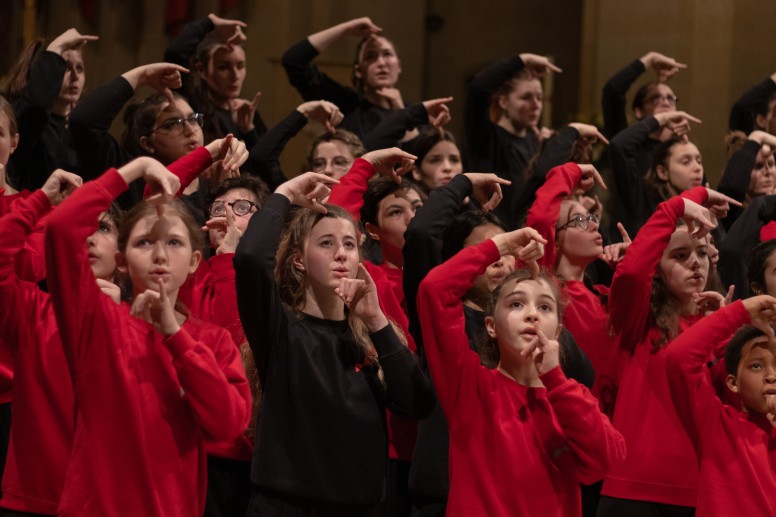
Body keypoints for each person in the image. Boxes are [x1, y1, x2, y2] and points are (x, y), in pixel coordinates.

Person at [44, 156, 251, 516]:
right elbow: (60, 228)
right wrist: (135, 168)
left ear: (193, 261)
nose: (159, 254)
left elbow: (229, 424)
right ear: (121, 261)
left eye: (173, 242)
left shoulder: (212, 341)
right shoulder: (98, 321)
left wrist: (175, 335)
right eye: (143, 243)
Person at [234, 171, 434, 515]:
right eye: (326, 243)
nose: (341, 254)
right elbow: (250, 259)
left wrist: (376, 320)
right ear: (299, 259)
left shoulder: (372, 337)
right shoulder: (281, 328)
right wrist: (284, 194)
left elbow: (416, 404)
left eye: (349, 244)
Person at [416, 226, 625, 516]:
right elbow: (433, 290)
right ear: (490, 325)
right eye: (516, 304)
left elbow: (606, 462)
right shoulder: (470, 386)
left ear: (559, 331)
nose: (532, 314)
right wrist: (501, 245)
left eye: (545, 307)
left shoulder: (569, 397)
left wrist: (556, 381)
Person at [598, 186, 738, 515]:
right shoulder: (641, 321)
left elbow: (732, 402)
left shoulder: (721, 324)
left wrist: (723, 332)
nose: (695, 263)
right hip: (634, 491)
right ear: (658, 269)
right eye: (680, 255)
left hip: (700, 491)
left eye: (703, 253)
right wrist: (680, 204)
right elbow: (632, 272)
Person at [526, 162, 623, 417]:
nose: (594, 225)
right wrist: (572, 171)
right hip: (567, 420)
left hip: (613, 424)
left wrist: (630, 269)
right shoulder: (545, 288)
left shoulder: (606, 295)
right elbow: (539, 218)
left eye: (592, 218)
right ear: (554, 239)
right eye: (579, 220)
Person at [665, 295, 776, 515]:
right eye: (756, 366)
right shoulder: (718, 425)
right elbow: (678, 357)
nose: (771, 376)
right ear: (733, 383)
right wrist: (740, 312)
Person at [464, 51, 561, 230]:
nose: (536, 105)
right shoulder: (486, 136)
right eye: (526, 97)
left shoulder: (534, 142)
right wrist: (522, 60)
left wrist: (547, 153)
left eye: (539, 98)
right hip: (491, 234)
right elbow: (477, 89)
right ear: (503, 102)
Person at [282, 17, 409, 140]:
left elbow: (419, 155)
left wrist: (402, 114)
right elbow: (294, 61)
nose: (381, 62)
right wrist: (345, 29)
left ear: (399, 66)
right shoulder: (345, 104)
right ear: (358, 71)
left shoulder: (414, 112)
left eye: (387, 54)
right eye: (370, 56)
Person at [4, 28, 97, 190]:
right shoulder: (27, 121)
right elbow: (36, 107)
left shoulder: (84, 127)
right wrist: (56, 48)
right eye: (66, 67)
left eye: (80, 68)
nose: (75, 76)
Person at [164, 13, 267, 144]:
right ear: (202, 70)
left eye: (240, 66)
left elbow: (267, 162)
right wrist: (211, 22)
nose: (235, 75)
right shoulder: (194, 108)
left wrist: (248, 130)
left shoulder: (246, 114)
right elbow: (175, 53)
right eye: (224, 67)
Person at [608, 110, 702, 237]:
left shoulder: (704, 209)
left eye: (699, 161)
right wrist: (661, 119)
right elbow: (620, 146)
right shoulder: (643, 204)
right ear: (662, 172)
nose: (697, 168)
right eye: (686, 162)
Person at [601, 51, 686, 139]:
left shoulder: (683, 147)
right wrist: (652, 58)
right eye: (655, 99)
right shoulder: (627, 145)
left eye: (670, 98)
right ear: (639, 112)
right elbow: (613, 90)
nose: (666, 103)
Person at [717, 130, 776, 230]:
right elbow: (733, 187)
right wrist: (757, 136)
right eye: (758, 166)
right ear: (742, 171)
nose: (767, 172)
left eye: (771, 164)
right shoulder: (732, 211)